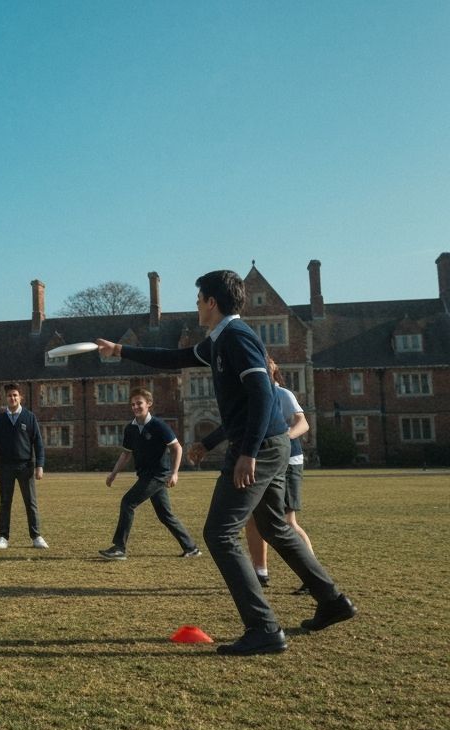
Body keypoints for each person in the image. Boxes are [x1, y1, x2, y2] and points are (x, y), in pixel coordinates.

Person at [97, 269, 356, 656]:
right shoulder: (217, 341)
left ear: (211, 303)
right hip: (266, 445)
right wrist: (121, 351)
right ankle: (332, 601)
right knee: (275, 528)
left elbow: (263, 395)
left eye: (199, 299)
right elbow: (176, 358)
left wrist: (248, 451)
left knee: (219, 533)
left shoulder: (236, 337)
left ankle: (264, 628)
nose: (197, 305)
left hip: (261, 447)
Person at [99, 388, 201, 561]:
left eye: (139, 403)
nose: (135, 407)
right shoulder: (130, 429)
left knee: (128, 502)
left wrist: (174, 473)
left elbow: (177, 447)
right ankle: (191, 548)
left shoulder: (158, 425)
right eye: (132, 404)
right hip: (144, 475)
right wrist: (113, 474)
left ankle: (119, 548)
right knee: (165, 515)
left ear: (149, 404)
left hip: (158, 475)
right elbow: (126, 453)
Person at [244, 357, 315, 594]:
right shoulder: (254, 397)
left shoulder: (282, 394)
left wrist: (283, 438)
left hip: (289, 461)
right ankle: (260, 572)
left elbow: (303, 424)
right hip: (262, 462)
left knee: (286, 521)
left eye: (266, 367)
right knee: (254, 519)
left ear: (273, 371)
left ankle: (312, 576)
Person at [0, 383, 48, 549]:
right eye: (9, 395)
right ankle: (3, 537)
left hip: (26, 466)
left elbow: (38, 443)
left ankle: (36, 536)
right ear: (5, 398)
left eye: (15, 395)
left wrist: (39, 465)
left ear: (20, 397)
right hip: (5, 467)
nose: (12, 398)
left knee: (30, 503)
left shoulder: (29, 417)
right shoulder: (0, 420)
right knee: (5, 502)